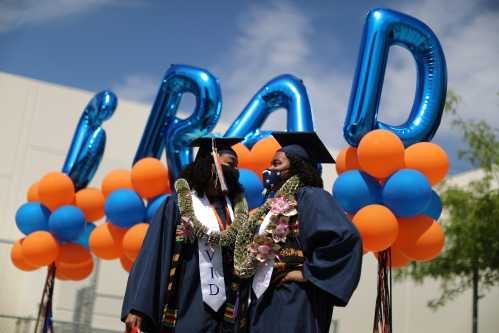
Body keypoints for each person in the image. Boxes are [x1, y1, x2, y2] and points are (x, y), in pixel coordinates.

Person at [234, 131, 363, 333]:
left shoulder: (311, 196)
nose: (269, 169)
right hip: (263, 296)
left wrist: (306, 273)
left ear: (296, 168)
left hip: (293, 298)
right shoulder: (271, 206)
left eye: (276, 164)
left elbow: (346, 238)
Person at [122, 137, 250, 333]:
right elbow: (153, 254)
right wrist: (139, 306)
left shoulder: (236, 213)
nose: (233, 172)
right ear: (209, 164)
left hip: (225, 313)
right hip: (186, 301)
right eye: (229, 164)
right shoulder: (178, 206)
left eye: (236, 167)